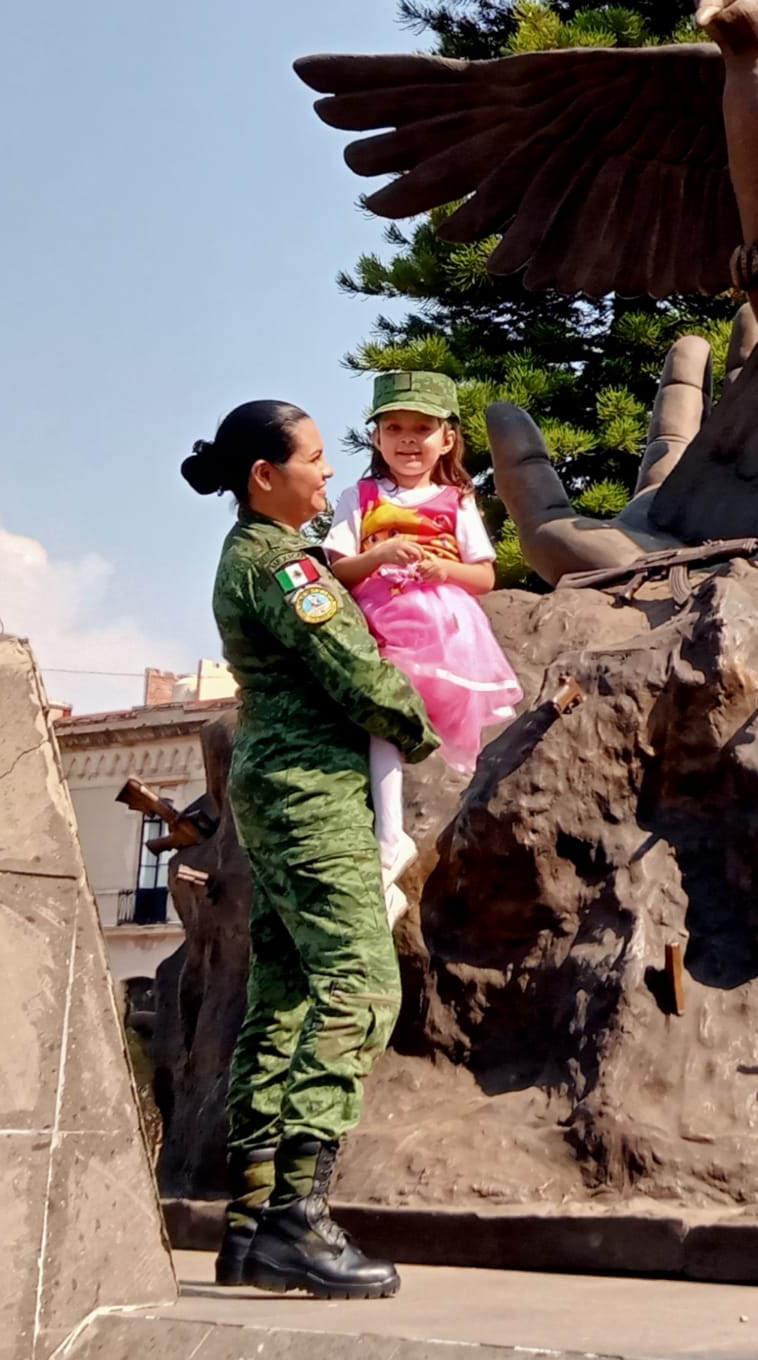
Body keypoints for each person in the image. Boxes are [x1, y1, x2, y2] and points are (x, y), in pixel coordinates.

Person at [182, 399, 440, 1300]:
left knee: (285, 994)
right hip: (314, 796)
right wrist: (419, 722)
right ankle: (299, 1219)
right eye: (317, 459)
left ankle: (251, 1223)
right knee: (362, 984)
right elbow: (356, 673)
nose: (329, 474)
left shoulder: (248, 559)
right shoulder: (285, 568)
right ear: (265, 475)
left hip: (273, 791)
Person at [323, 370, 521, 923]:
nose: (408, 441)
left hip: (438, 622)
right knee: (381, 719)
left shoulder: (455, 499)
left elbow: (484, 576)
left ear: (447, 438)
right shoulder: (359, 497)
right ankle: (390, 836)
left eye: (422, 429)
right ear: (377, 438)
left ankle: (420, 835)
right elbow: (338, 568)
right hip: (378, 617)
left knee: (413, 721)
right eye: (395, 428)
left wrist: (443, 568)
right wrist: (381, 557)